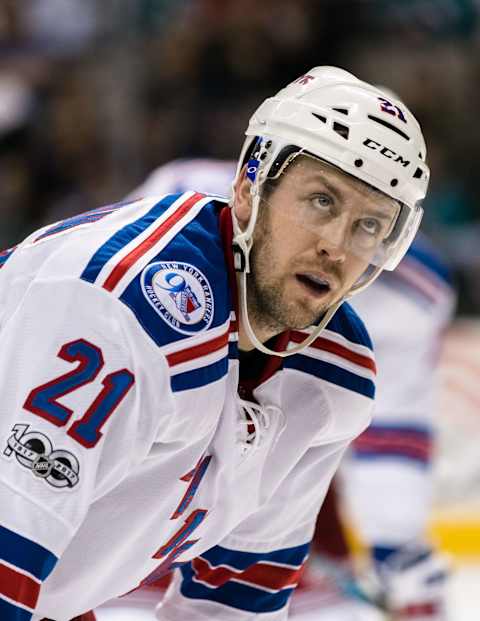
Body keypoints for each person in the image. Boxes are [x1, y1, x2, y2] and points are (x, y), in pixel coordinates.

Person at [0, 66, 429, 621]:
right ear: (250, 189)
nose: (337, 246)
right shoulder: (122, 310)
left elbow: (236, 594)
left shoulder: (333, 377)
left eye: (370, 225)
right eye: (322, 201)